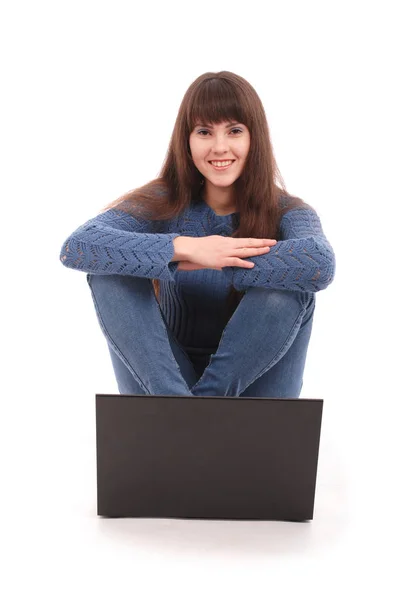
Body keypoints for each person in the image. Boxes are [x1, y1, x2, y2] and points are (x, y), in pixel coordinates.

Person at [59, 70, 336, 398]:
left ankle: (191, 416)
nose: (220, 147)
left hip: (257, 388)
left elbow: (319, 263)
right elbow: (78, 247)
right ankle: (182, 411)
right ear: (187, 141)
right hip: (167, 383)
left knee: (286, 288)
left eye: (234, 131)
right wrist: (184, 249)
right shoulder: (163, 200)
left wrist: (216, 259)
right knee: (111, 275)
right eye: (205, 131)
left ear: (254, 138)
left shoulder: (288, 210)